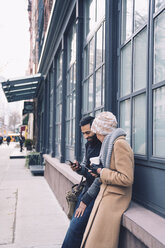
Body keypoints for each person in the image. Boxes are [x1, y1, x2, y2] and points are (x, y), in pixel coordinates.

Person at [81, 111, 134, 248]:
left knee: (98, 242)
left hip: (115, 198)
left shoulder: (120, 144)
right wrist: (99, 173)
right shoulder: (110, 144)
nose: (97, 136)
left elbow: (127, 178)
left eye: (97, 132)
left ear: (104, 131)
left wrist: (101, 171)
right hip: (106, 195)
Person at [62, 116, 102, 248]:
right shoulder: (88, 144)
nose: (86, 136)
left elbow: (101, 178)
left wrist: (85, 200)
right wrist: (79, 168)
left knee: (75, 228)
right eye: (83, 133)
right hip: (87, 190)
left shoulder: (104, 145)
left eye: (88, 132)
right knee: (74, 227)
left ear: (96, 129)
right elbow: (86, 169)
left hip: (94, 194)